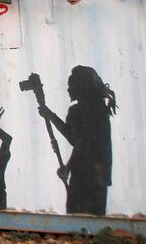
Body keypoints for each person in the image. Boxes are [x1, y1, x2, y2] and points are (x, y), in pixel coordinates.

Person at [37, 66, 116, 216]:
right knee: (89, 216)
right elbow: (75, 139)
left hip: (89, 174)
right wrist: (51, 116)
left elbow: (82, 142)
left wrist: (68, 166)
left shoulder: (88, 111)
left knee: (80, 215)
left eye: (71, 85)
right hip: (93, 173)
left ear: (83, 86)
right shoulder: (92, 110)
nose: (68, 89)